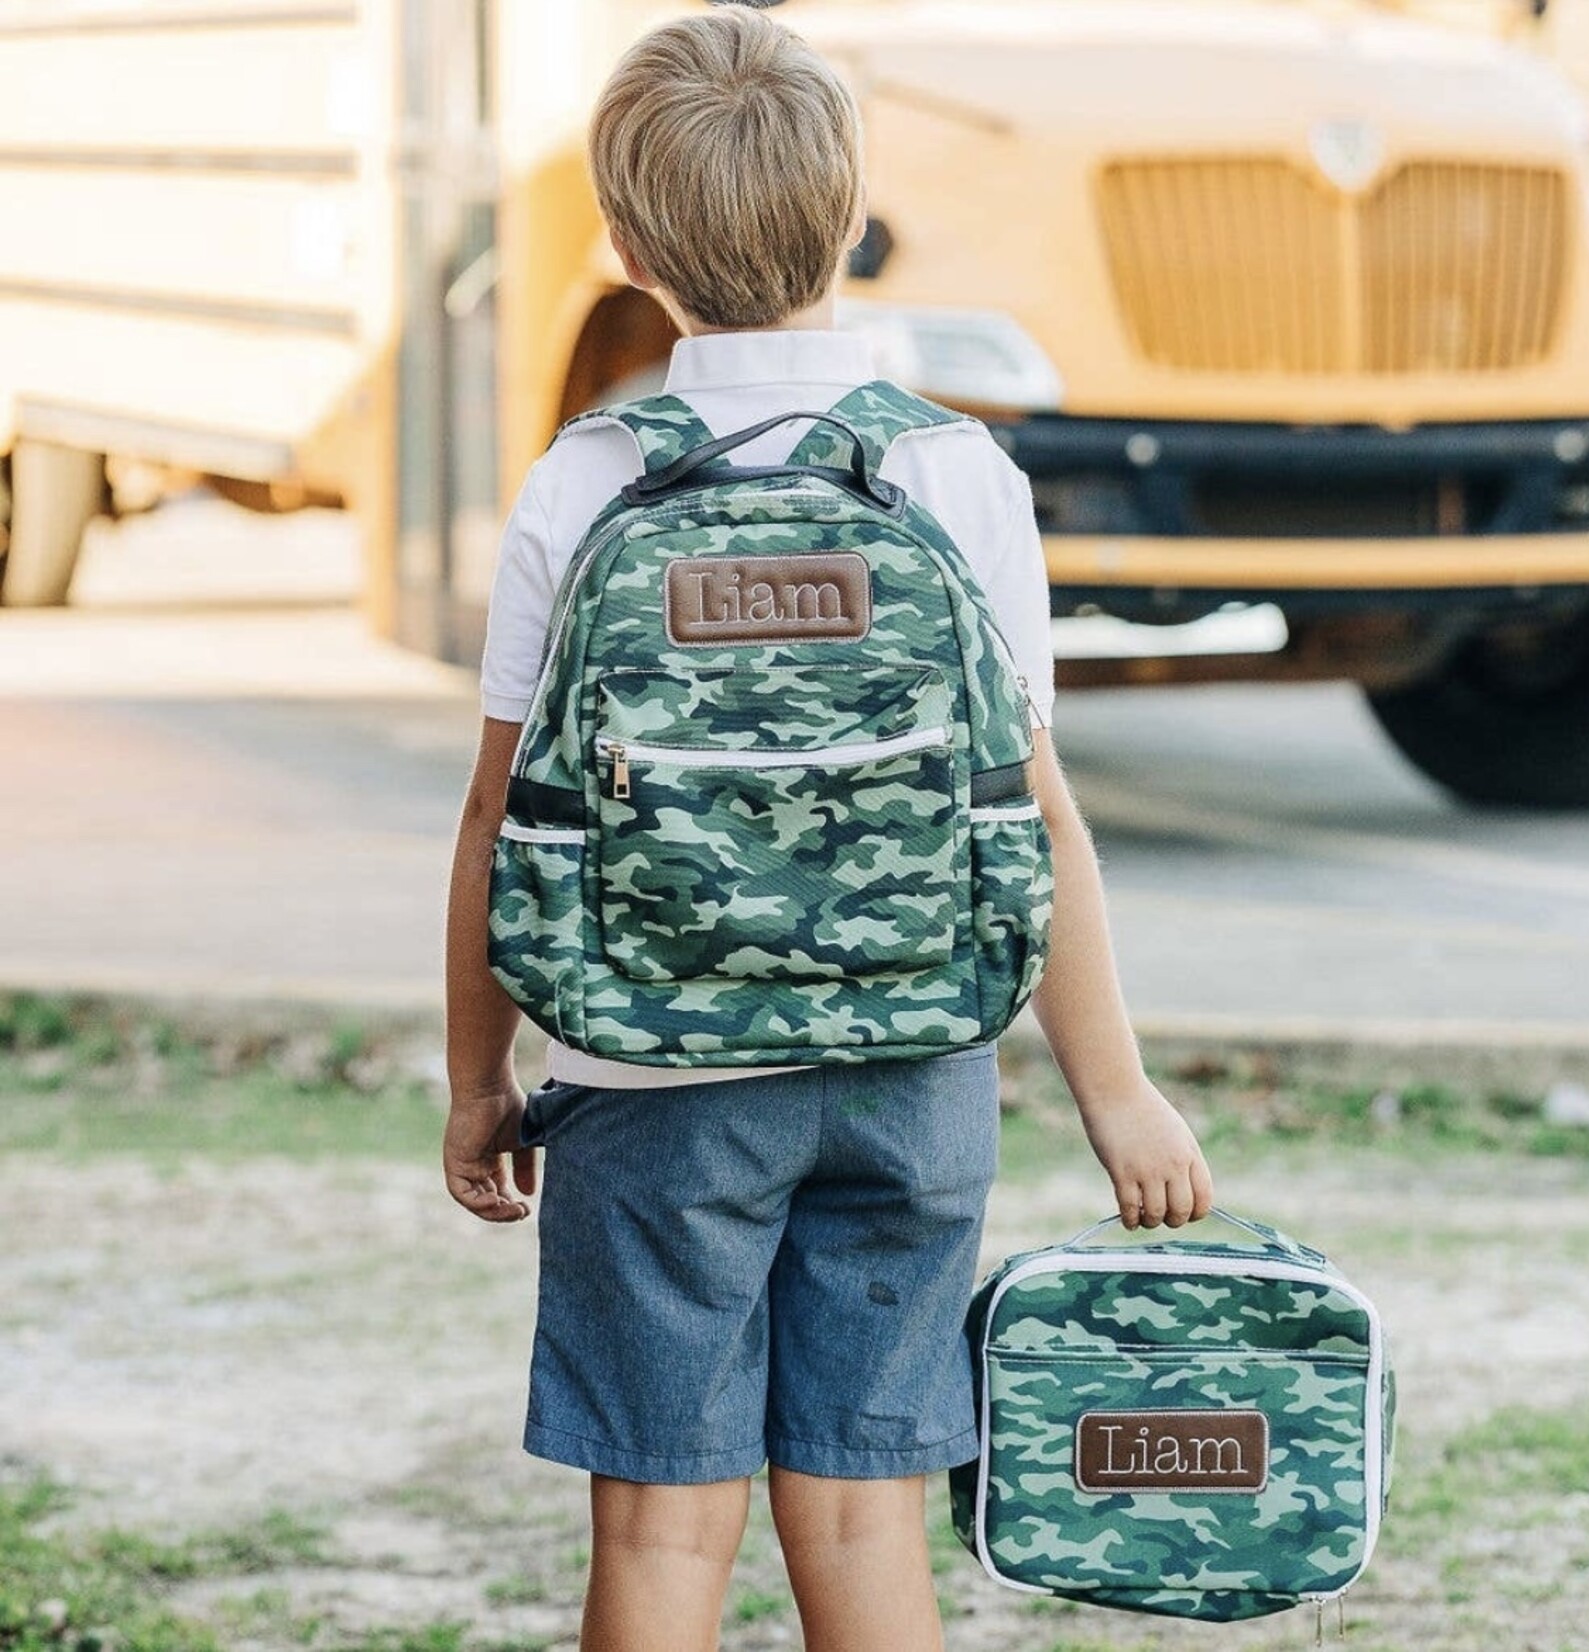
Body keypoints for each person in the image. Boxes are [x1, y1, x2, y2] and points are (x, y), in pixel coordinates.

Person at [442, 9, 1214, 1649]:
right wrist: (1116, 1089)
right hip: (911, 1071)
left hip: (647, 1081)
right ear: (855, 208)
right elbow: (1033, 812)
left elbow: (504, 815)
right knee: (866, 1516)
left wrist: (476, 1079)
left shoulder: (584, 484)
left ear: (631, 246)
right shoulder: (956, 478)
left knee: (659, 1533)